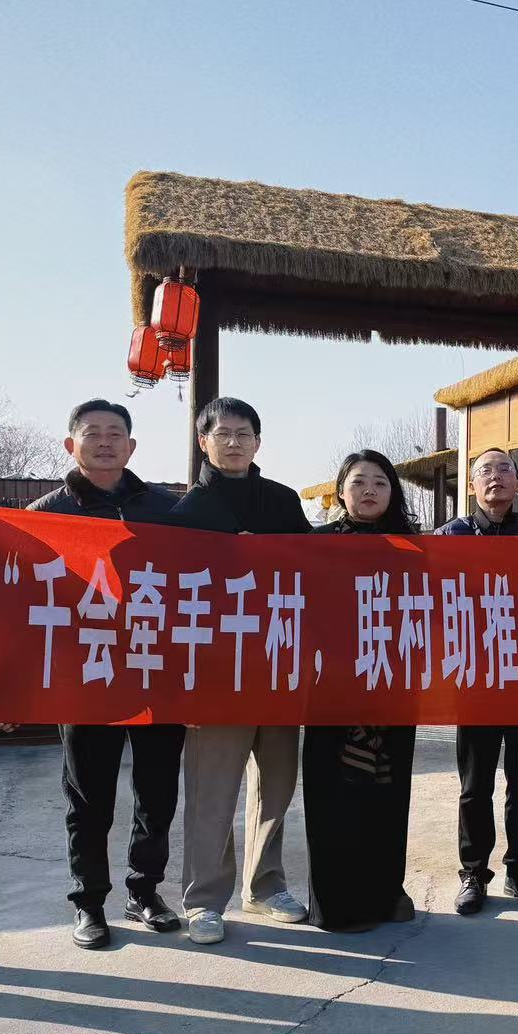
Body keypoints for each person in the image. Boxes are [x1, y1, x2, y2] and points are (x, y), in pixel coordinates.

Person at [27, 399, 184, 949]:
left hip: (153, 668)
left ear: (131, 446)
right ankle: (89, 901)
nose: (104, 442)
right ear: (71, 445)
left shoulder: (166, 509)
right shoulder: (45, 514)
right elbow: (20, 596)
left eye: (115, 433)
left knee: (157, 793)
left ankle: (144, 890)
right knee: (88, 797)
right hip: (85, 674)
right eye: (92, 433)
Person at [171, 396, 312, 945]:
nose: (233, 442)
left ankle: (266, 885)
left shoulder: (283, 500)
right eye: (222, 433)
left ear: (258, 442)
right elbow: (175, 596)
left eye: (244, 433)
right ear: (203, 441)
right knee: (213, 792)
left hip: (277, 665)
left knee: (275, 787)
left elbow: (314, 571)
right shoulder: (186, 513)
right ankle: (204, 900)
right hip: (216, 672)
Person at [301, 450, 421, 931]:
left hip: (394, 682)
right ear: (340, 491)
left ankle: (386, 891)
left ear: (393, 492)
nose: (369, 490)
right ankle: (336, 902)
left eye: (380, 482)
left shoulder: (414, 548)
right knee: (332, 791)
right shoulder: (314, 544)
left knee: (387, 791)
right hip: (330, 682)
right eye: (358, 481)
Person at [436, 448, 518, 915]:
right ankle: (473, 872)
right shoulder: (450, 536)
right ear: (471, 485)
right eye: (485, 470)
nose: (496, 477)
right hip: (476, 678)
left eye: (505, 469)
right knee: (475, 784)